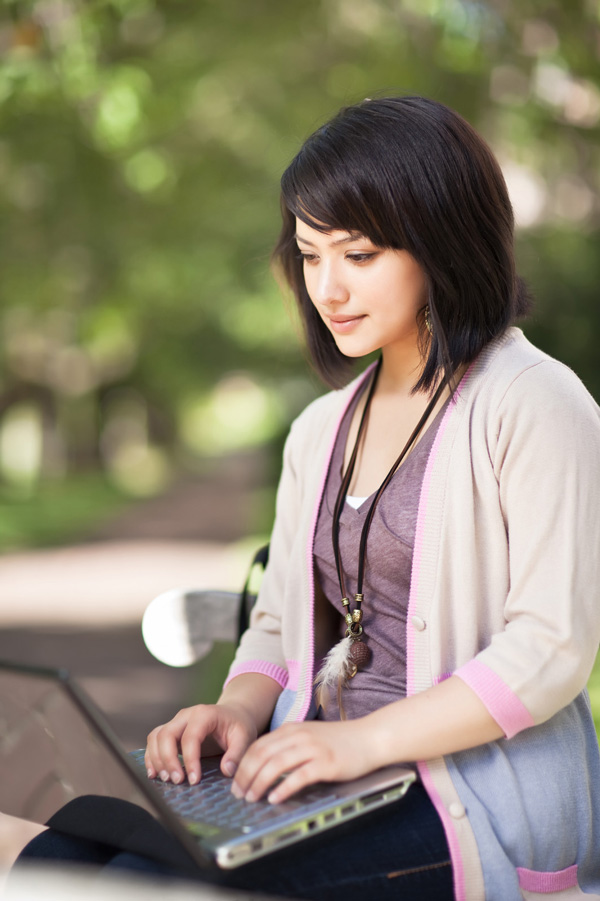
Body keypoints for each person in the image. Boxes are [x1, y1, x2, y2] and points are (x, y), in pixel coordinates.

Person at [17, 96, 600, 900]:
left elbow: (552, 649)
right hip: (321, 770)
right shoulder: (321, 428)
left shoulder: (535, 400)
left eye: (358, 255)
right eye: (310, 254)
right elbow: (280, 622)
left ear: (442, 240)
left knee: (145, 883)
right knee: (65, 859)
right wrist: (238, 709)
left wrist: (358, 745)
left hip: (466, 802)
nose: (327, 287)